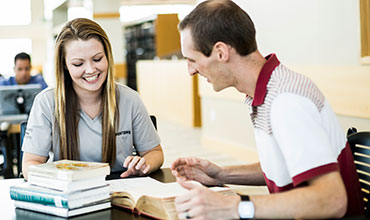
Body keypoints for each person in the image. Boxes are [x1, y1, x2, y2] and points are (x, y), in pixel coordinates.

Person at [170, 1, 364, 219]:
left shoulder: (286, 101)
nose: (190, 71)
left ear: (221, 52)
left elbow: (332, 200)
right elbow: (285, 167)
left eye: (192, 59)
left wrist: (234, 206)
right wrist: (220, 174)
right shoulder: (267, 90)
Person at [22, 18, 164, 180]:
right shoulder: (46, 102)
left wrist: (144, 165)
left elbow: (155, 153)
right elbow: (31, 162)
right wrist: (51, 182)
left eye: (97, 59)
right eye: (78, 64)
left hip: (120, 187)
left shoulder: (129, 99)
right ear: (65, 65)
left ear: (107, 56)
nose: (90, 70)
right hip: (68, 192)